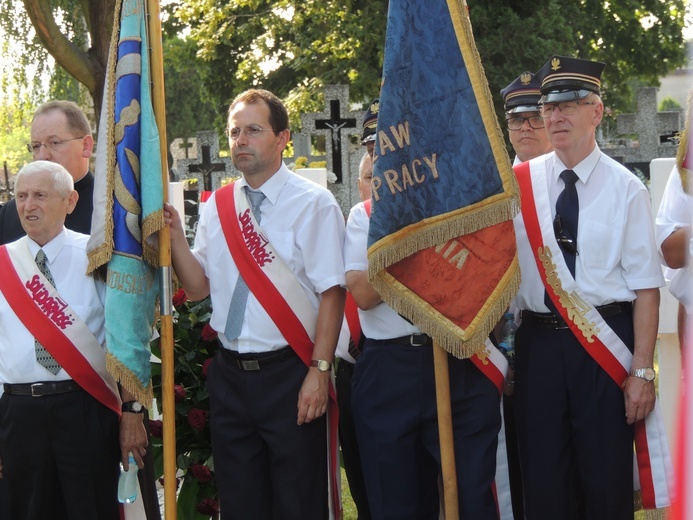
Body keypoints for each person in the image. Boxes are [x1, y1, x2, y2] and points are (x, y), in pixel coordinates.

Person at [164, 88, 346, 519]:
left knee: (298, 503)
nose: (240, 140)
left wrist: (319, 372)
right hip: (230, 377)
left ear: (282, 137)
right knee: (242, 505)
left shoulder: (314, 204)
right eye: (235, 132)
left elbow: (332, 293)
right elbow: (197, 288)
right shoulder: (218, 206)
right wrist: (175, 241)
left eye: (253, 130)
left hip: (291, 373)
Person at [511, 55, 665, 519]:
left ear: (596, 112)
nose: (554, 117)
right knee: (543, 483)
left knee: (604, 484)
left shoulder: (626, 189)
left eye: (570, 105)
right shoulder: (518, 187)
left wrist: (641, 372)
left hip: (603, 347)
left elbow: (646, 289)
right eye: (548, 108)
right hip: (537, 346)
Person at [344, 169, 501, 518]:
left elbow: (480, 281)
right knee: (395, 502)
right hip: (389, 369)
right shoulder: (364, 216)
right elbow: (364, 294)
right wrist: (410, 235)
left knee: (472, 500)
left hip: (458, 358)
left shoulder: (460, 207)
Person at [0, 161, 148, 520]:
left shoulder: (100, 258)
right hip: (19, 416)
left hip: (85, 409)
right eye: (21, 196)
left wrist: (132, 414)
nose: (28, 205)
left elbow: (127, 343)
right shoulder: (3, 264)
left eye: (40, 195)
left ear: (70, 200)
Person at [499, 69, 555, 520]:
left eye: (534, 117)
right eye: (515, 120)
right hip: (509, 344)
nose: (524, 128)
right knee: (517, 465)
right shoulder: (495, 189)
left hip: (572, 338)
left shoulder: (575, 180)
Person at [336, 151, 373, 520]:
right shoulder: (344, 229)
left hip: (393, 361)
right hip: (350, 373)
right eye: (368, 177)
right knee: (364, 485)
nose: (375, 184)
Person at [0, 101, 95, 244]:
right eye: (36, 146)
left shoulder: (112, 212)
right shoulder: (9, 216)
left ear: (86, 146)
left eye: (55, 143)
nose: (42, 156)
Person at [501, 71, 553, 165]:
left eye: (537, 118)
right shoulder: (494, 178)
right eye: (517, 119)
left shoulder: (576, 178)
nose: (525, 127)